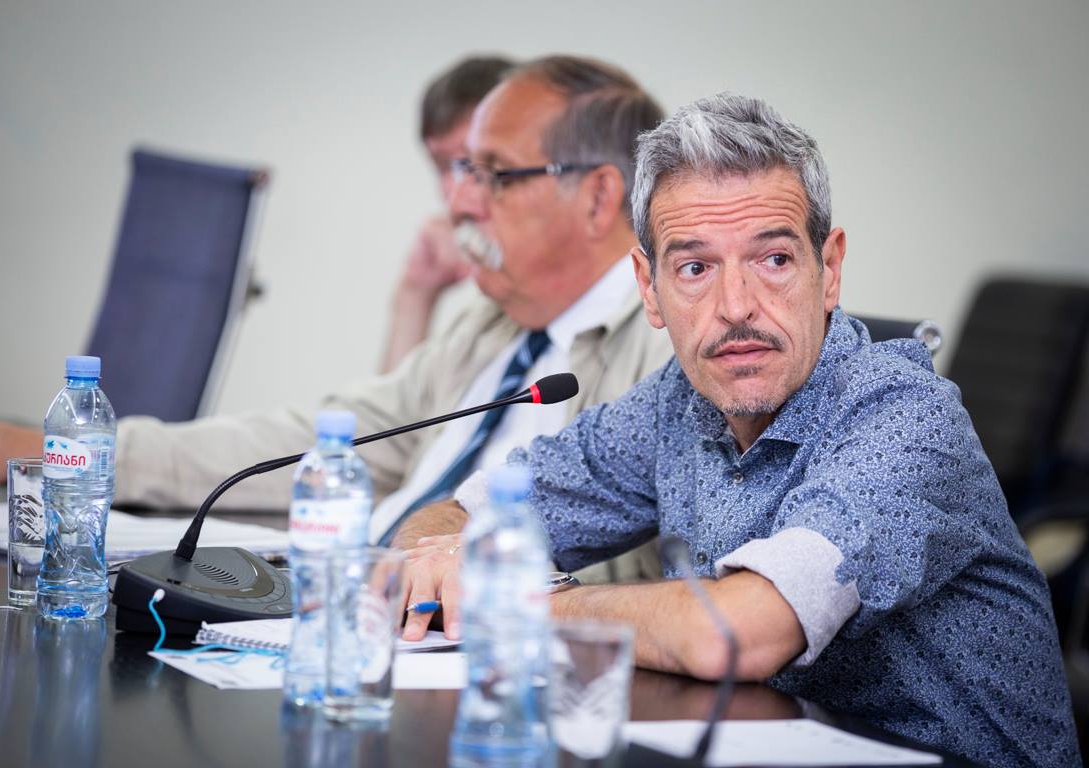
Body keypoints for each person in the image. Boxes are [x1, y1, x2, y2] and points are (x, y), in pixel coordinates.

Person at [393, 94, 1079, 767]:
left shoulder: (904, 417)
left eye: (773, 260)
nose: (736, 307)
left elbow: (730, 634)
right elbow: (467, 510)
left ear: (829, 269)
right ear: (650, 287)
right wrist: (439, 556)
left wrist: (518, 595)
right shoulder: (679, 398)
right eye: (695, 268)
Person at [0, 56, 673, 581]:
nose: (459, 202)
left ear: (598, 198)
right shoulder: (493, 326)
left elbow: (636, 572)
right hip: (341, 606)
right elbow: (313, 442)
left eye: (494, 175)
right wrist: (88, 452)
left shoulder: (664, 354)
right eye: (460, 173)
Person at [379, 54, 514, 374]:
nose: (456, 195)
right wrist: (416, 293)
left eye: (469, 163)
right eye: (443, 167)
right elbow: (397, 406)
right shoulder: (478, 326)